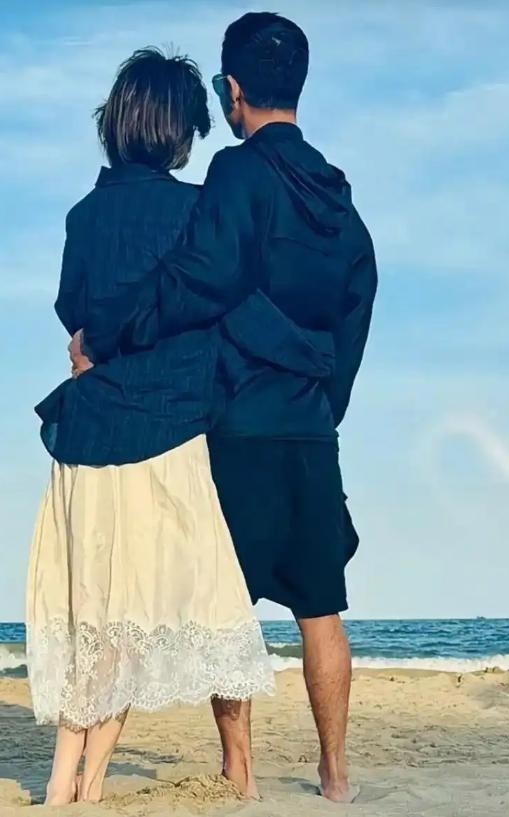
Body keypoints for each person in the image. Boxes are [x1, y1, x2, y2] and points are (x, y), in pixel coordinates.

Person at [70, 12, 378, 804]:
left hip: (237, 421)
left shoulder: (236, 175)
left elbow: (198, 280)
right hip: (310, 426)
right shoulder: (339, 196)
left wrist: (107, 335)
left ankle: (240, 767)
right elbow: (359, 295)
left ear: (234, 90)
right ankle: (335, 773)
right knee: (322, 608)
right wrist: (329, 398)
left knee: (227, 606)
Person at [27, 48, 280, 807]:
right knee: (138, 614)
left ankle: (67, 778)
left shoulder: (83, 215)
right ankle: (87, 783)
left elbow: (76, 318)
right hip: (165, 432)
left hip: (86, 436)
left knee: (93, 613)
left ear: (117, 123)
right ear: (178, 131)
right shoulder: (198, 212)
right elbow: (224, 313)